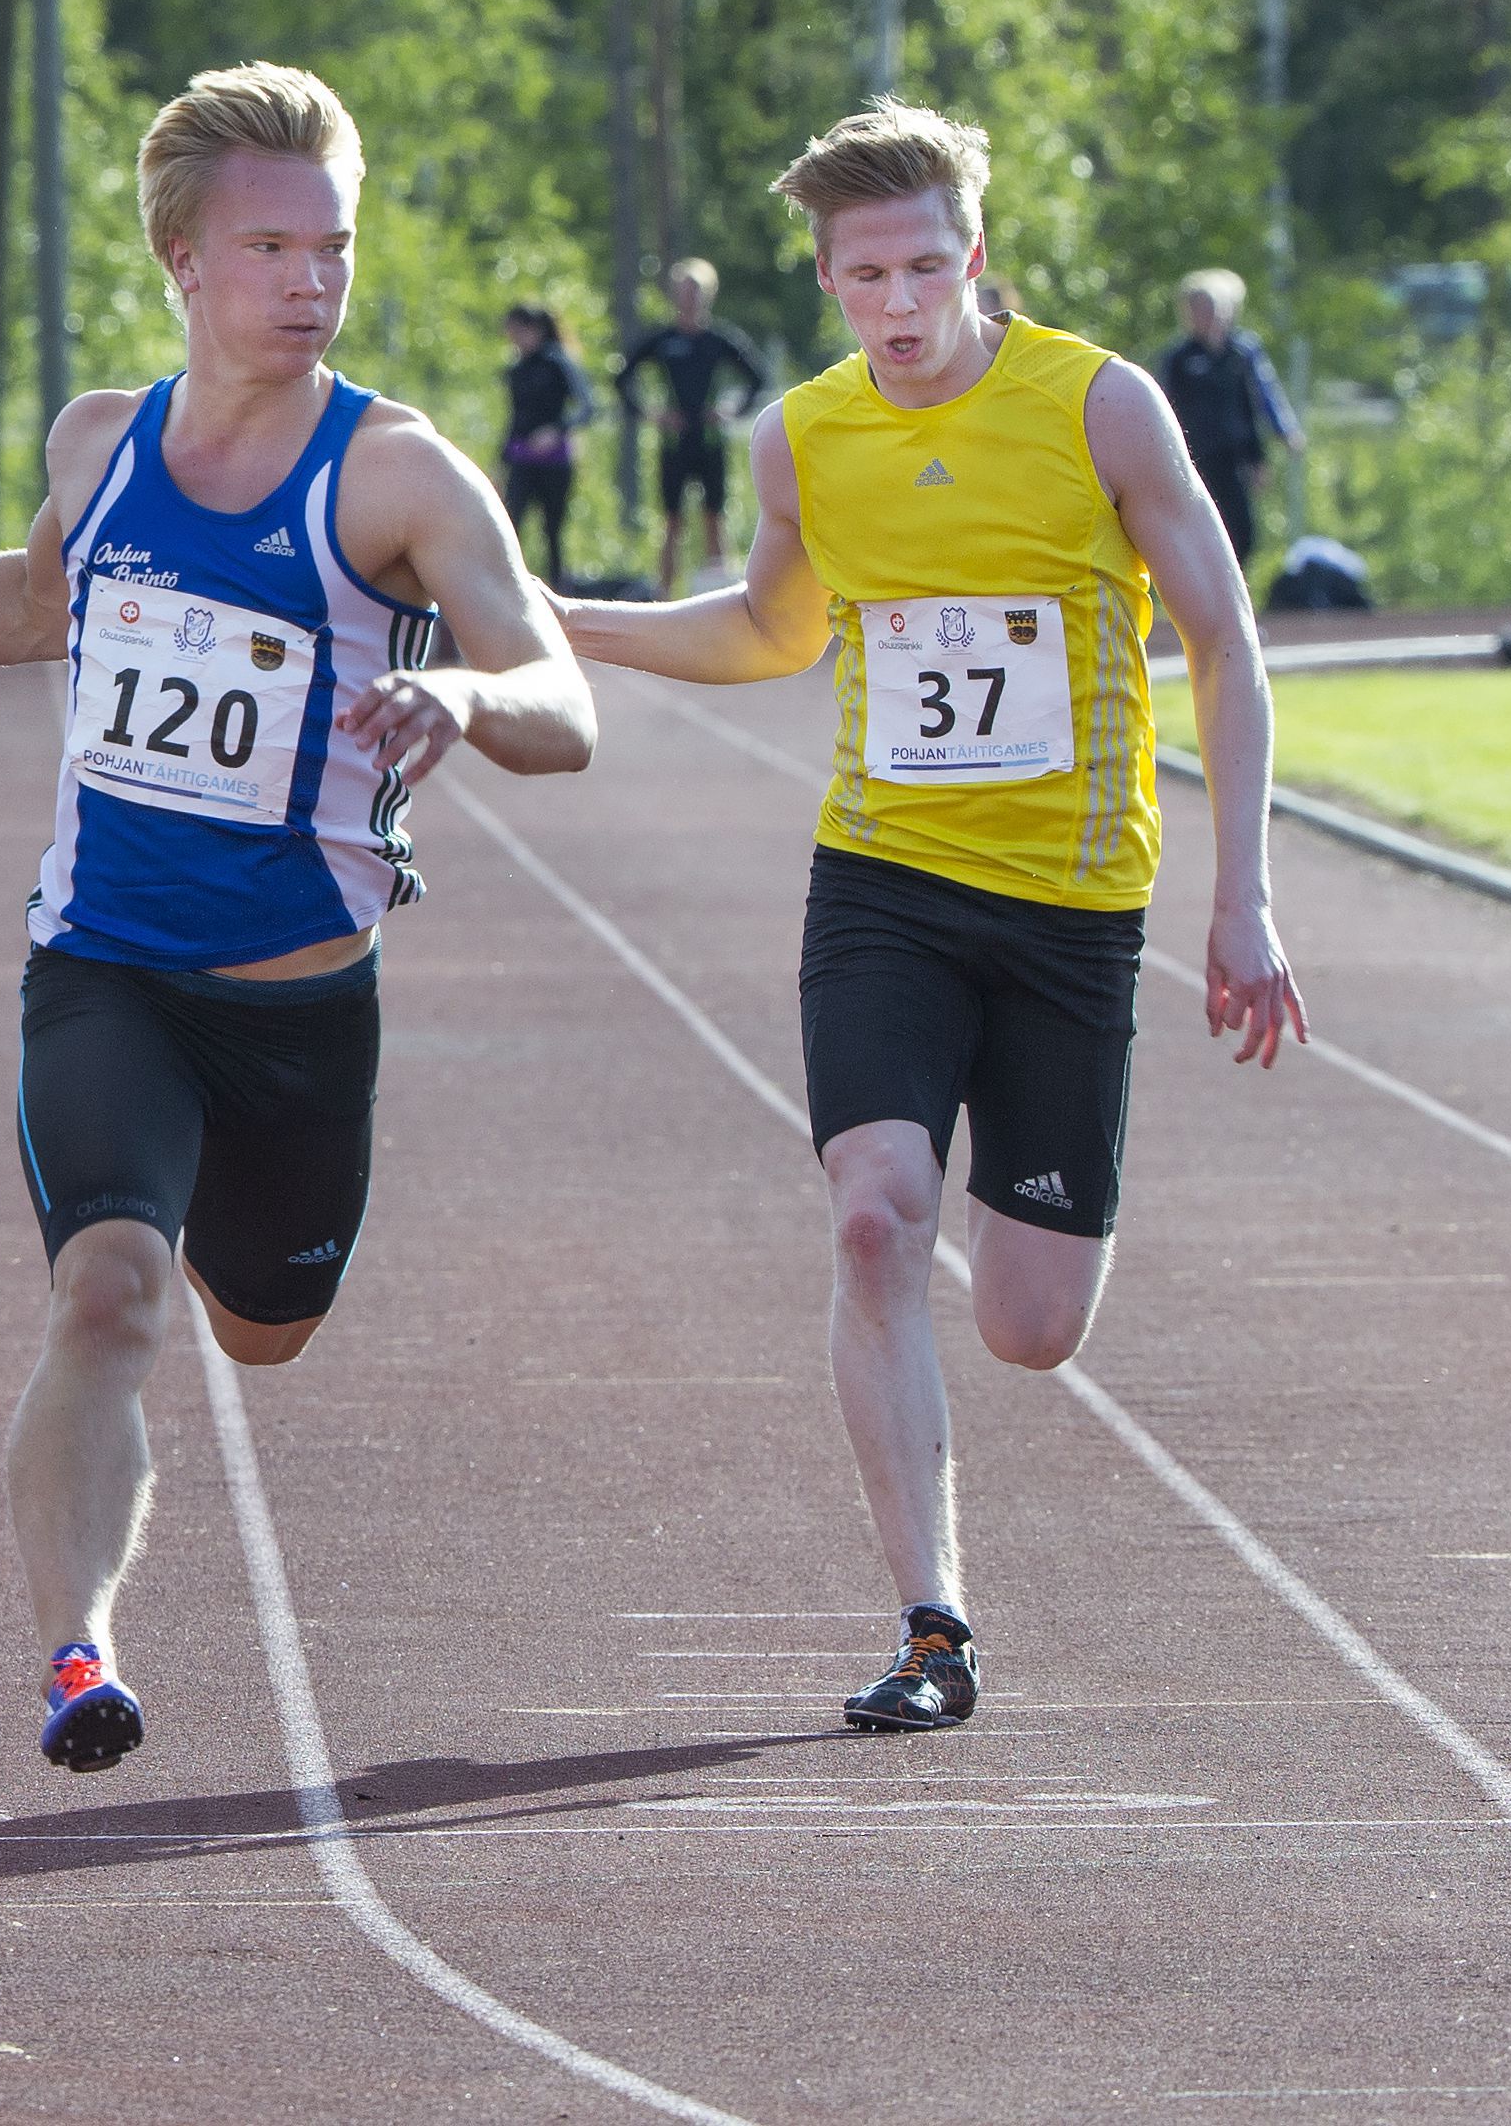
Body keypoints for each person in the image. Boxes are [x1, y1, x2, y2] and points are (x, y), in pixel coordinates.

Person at [0, 63, 594, 1774]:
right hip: (104, 971)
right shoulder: (98, 444)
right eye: (271, 247)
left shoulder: (395, 474)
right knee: (107, 1295)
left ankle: (218, 1341)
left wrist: (466, 693)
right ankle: (77, 1652)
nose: (311, 279)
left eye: (332, 244)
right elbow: (29, 604)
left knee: (268, 1325)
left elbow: (564, 696)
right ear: (179, 255)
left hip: (300, 1008)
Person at [553, 100, 1308, 1734]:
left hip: (1070, 905)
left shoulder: (1101, 407)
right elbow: (772, 627)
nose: (893, 305)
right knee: (876, 1210)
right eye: (860, 277)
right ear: (823, 281)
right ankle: (930, 1621)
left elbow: (1224, 640)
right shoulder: (801, 435)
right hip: (883, 886)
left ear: (972, 259)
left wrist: (1240, 894)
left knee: (1031, 1325)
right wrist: (576, 625)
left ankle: (1025, 1243)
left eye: (918, 268)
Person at [617, 255, 768, 596]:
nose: (689, 298)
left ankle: (723, 594)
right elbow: (622, 377)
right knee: (671, 520)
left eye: (696, 291)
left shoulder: (718, 339)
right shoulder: (663, 339)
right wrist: (651, 413)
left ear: (708, 295)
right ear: (673, 294)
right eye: (683, 291)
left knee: (714, 517)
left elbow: (756, 378)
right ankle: (665, 597)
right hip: (674, 441)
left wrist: (730, 409)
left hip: (709, 439)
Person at [1158, 269, 1303, 568]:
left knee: (1243, 531)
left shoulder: (1243, 352)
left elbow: (1264, 395)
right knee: (1200, 526)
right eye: (1197, 309)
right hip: (1195, 456)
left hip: (1237, 456)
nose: (1206, 316)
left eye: (1211, 307)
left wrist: (1284, 432)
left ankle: (1236, 590)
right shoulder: (1179, 358)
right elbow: (1162, 405)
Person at [497, 303, 596, 590]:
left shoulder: (558, 363)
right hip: (522, 458)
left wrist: (558, 430)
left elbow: (587, 407)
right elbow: (516, 419)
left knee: (552, 528)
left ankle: (558, 587)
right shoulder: (517, 369)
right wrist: (501, 461)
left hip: (553, 459)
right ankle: (509, 586)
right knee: (510, 523)